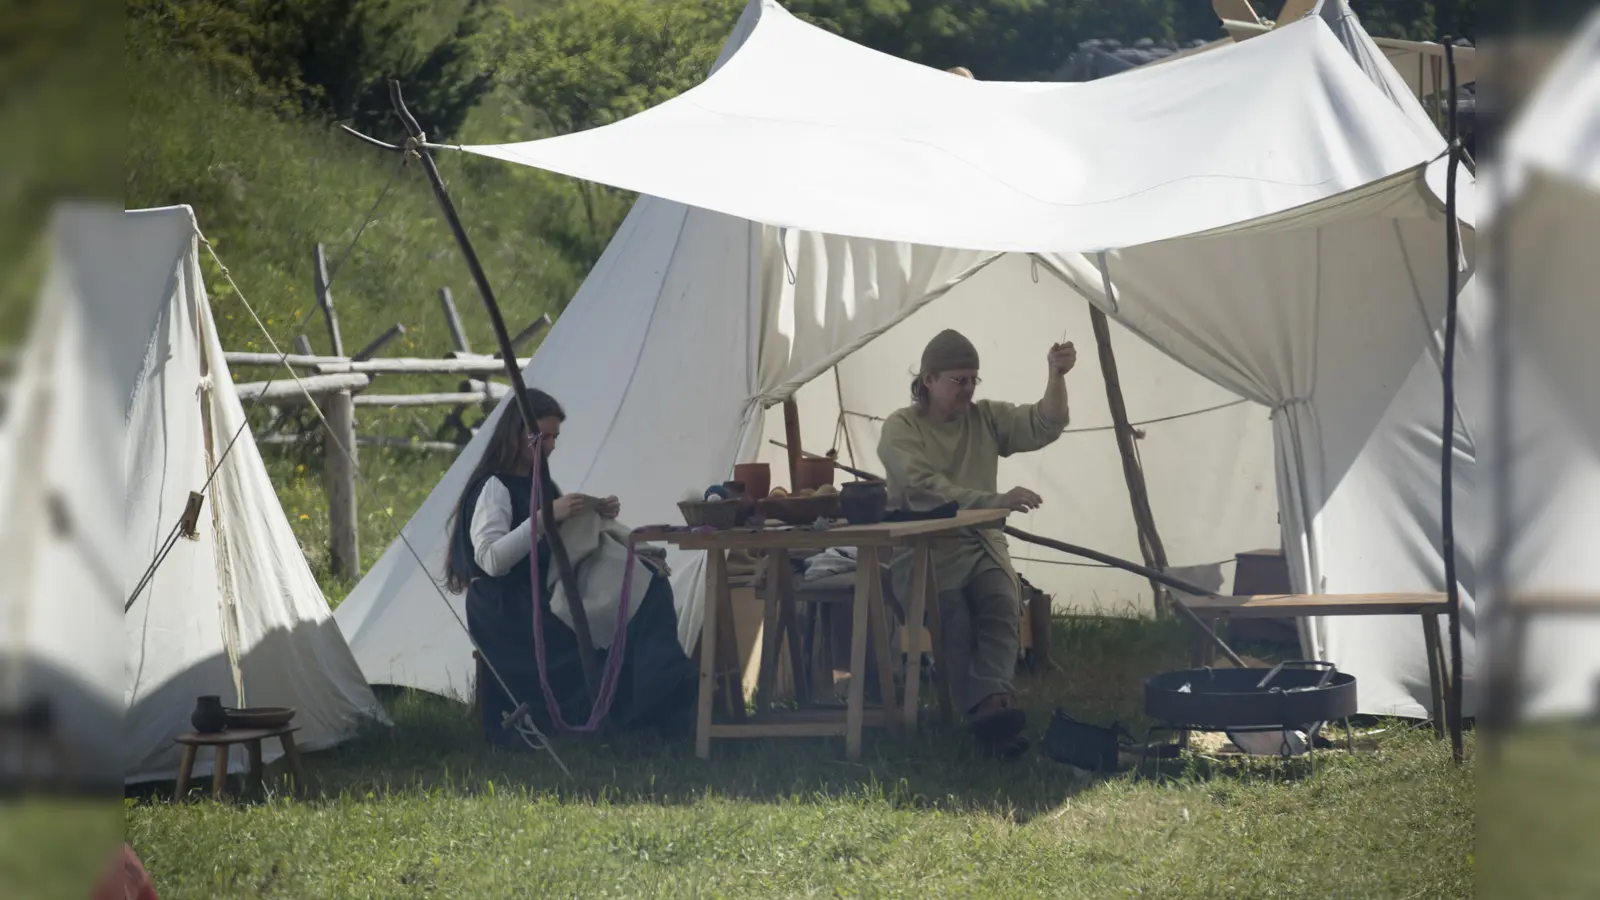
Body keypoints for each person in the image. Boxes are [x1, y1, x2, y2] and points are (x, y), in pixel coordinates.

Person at [445, 390, 698, 744]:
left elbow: (558, 542)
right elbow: (491, 561)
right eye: (542, 437)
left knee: (646, 587)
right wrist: (545, 517)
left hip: (541, 593)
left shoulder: (541, 484)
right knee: (605, 622)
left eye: (554, 438)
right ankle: (663, 701)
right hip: (508, 610)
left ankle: (666, 696)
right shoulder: (494, 487)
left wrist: (593, 513)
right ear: (516, 435)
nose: (549, 446)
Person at [877, 329, 1076, 757]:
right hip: (924, 552)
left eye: (973, 380)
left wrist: (1056, 375)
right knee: (953, 619)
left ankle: (990, 706)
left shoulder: (985, 418)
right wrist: (993, 502)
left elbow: (1046, 423)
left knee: (1003, 603)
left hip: (981, 545)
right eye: (958, 380)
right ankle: (990, 711)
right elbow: (923, 485)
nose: (968, 389)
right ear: (928, 379)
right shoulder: (900, 428)